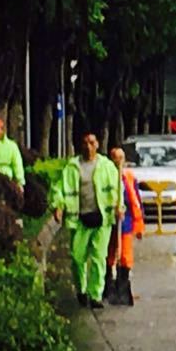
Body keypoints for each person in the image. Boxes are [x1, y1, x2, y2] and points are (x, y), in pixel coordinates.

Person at [51, 127, 122, 309]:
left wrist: (119, 207)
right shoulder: (72, 167)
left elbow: (117, 189)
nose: (88, 146)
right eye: (85, 143)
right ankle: (81, 290)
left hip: (102, 219)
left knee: (99, 258)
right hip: (80, 219)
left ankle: (95, 294)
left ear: (97, 144)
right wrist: (58, 205)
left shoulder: (106, 166)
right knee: (77, 258)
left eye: (91, 143)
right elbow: (60, 188)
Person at [104, 144, 145, 307]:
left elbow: (136, 202)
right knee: (109, 252)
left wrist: (139, 225)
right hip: (109, 220)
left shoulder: (129, 177)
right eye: (116, 158)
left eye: (121, 158)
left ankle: (122, 284)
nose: (119, 161)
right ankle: (107, 283)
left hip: (126, 221)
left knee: (126, 255)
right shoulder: (106, 177)